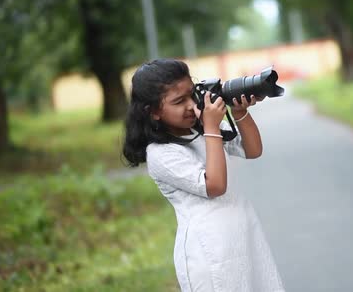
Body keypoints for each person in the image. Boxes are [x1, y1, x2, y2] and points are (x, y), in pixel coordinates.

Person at [122, 58, 285, 292]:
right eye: (179, 101)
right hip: (210, 252)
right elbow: (215, 185)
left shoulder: (199, 130)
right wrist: (210, 128)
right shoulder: (161, 154)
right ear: (154, 112)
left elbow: (252, 150)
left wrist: (239, 113)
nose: (191, 105)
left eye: (192, 94)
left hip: (242, 236)